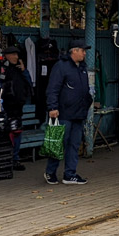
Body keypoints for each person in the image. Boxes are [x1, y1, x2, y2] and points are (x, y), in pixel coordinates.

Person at [45, 39, 92, 186]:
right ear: (74, 51)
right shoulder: (61, 66)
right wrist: (52, 107)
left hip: (79, 113)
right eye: (82, 50)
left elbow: (85, 89)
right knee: (59, 143)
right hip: (63, 113)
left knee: (74, 145)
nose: (85, 53)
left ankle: (69, 174)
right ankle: (50, 172)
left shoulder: (82, 68)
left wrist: (88, 102)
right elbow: (53, 88)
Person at [0, 44, 33, 171]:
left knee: (17, 132)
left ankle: (15, 159)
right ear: (6, 56)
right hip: (6, 107)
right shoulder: (3, 69)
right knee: (6, 133)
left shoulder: (20, 70)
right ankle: (7, 159)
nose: (16, 57)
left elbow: (29, 83)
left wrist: (24, 70)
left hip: (18, 107)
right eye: (13, 54)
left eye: (17, 54)